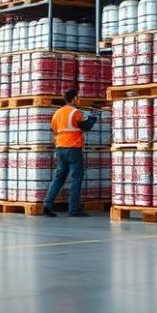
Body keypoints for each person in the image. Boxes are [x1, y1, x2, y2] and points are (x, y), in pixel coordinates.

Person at [42, 89, 98, 217]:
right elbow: (86, 127)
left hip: (60, 148)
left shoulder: (57, 113)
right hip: (73, 148)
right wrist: (93, 117)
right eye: (77, 98)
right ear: (73, 99)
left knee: (59, 178)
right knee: (76, 178)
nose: (78, 100)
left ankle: (48, 204)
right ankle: (74, 209)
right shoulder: (75, 112)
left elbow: (53, 130)